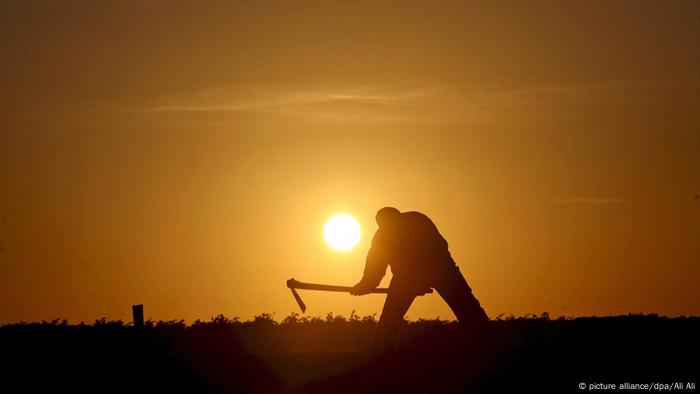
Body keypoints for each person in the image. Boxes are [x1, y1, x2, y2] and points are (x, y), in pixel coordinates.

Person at [350, 207, 488, 355]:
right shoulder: (382, 236)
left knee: (467, 307)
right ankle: (379, 355)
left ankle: (488, 344)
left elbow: (438, 247)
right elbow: (375, 265)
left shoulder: (417, 221)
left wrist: (421, 277)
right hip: (409, 277)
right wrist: (366, 285)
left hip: (439, 270)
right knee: (390, 319)